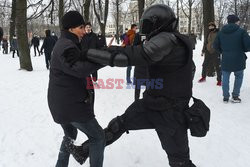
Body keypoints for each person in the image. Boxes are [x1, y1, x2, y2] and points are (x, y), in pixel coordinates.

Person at [66, 4, 197, 167]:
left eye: (148, 24)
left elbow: (133, 55)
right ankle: (84, 150)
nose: (145, 30)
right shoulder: (172, 40)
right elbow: (190, 68)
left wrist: (87, 53)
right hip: (152, 103)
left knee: (180, 161)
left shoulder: (168, 39)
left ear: (158, 23)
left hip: (171, 113)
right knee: (119, 124)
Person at [47, 11, 105, 167]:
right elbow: (80, 69)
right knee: (98, 137)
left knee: (70, 134)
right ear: (71, 29)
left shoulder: (67, 43)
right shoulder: (66, 45)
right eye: (81, 27)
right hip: (70, 106)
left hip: (62, 104)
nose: (84, 31)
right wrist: (104, 58)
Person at [213, 15, 250, 103]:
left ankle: (225, 97)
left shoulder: (221, 32)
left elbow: (215, 45)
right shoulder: (242, 32)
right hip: (239, 59)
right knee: (239, 77)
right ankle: (235, 96)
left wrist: (223, 51)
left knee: (225, 78)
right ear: (236, 21)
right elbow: (248, 46)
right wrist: (242, 49)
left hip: (226, 59)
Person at [133, 32, 149, 100]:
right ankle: (136, 100)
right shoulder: (138, 35)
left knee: (149, 84)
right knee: (138, 85)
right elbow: (134, 47)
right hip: (140, 62)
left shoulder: (152, 34)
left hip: (148, 63)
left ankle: (146, 99)